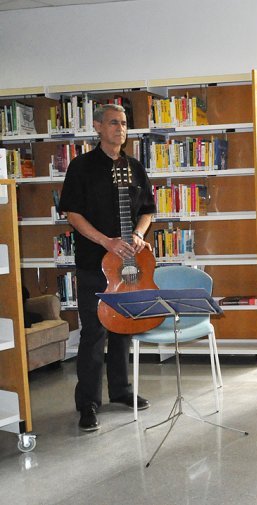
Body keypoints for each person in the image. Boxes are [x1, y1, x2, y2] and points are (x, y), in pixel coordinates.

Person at [59, 104, 155, 431]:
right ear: (98, 126)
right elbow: (72, 213)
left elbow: (148, 211)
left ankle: (121, 390)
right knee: (95, 331)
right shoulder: (81, 167)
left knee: (124, 326)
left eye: (125, 123)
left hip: (129, 262)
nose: (120, 129)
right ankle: (87, 401)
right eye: (114, 123)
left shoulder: (135, 167)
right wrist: (106, 241)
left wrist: (139, 235)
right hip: (94, 264)